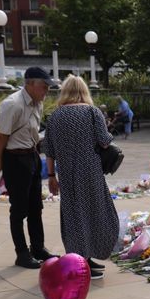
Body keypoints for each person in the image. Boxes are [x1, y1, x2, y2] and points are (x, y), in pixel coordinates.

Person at [45, 75, 118, 281]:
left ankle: (80, 258)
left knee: (73, 214)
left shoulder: (55, 116)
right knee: (97, 211)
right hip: (90, 170)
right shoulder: (91, 112)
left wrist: (51, 176)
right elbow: (104, 142)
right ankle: (89, 255)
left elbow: (49, 151)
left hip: (66, 172)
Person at [0, 66, 57, 269]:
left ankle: (38, 248)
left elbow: (34, 133)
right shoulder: (12, 104)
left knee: (35, 207)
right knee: (19, 209)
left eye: (48, 87)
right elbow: (1, 137)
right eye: (43, 86)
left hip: (31, 155)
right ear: (29, 83)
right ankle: (21, 253)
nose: (46, 91)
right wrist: (1, 164)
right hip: (14, 158)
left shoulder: (38, 103)